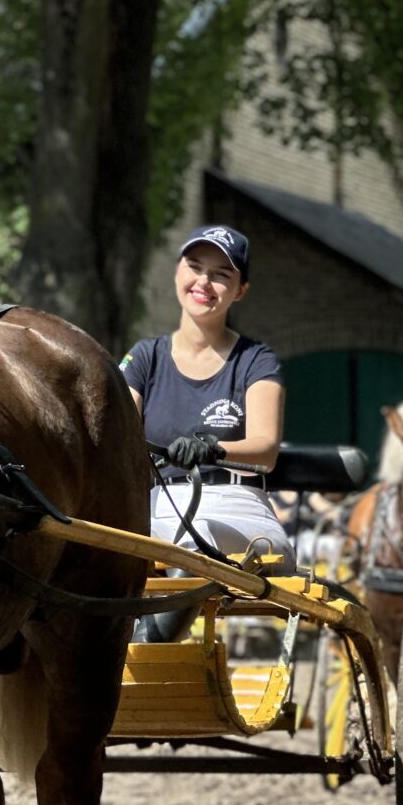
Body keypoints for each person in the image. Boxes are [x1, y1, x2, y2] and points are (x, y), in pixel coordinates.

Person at [121, 224, 287, 565]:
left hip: (239, 506)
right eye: (195, 267)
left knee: (190, 535)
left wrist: (212, 449)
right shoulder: (144, 357)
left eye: (221, 274)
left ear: (240, 290)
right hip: (157, 506)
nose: (204, 282)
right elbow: (115, 435)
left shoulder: (256, 360)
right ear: (177, 272)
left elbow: (266, 451)